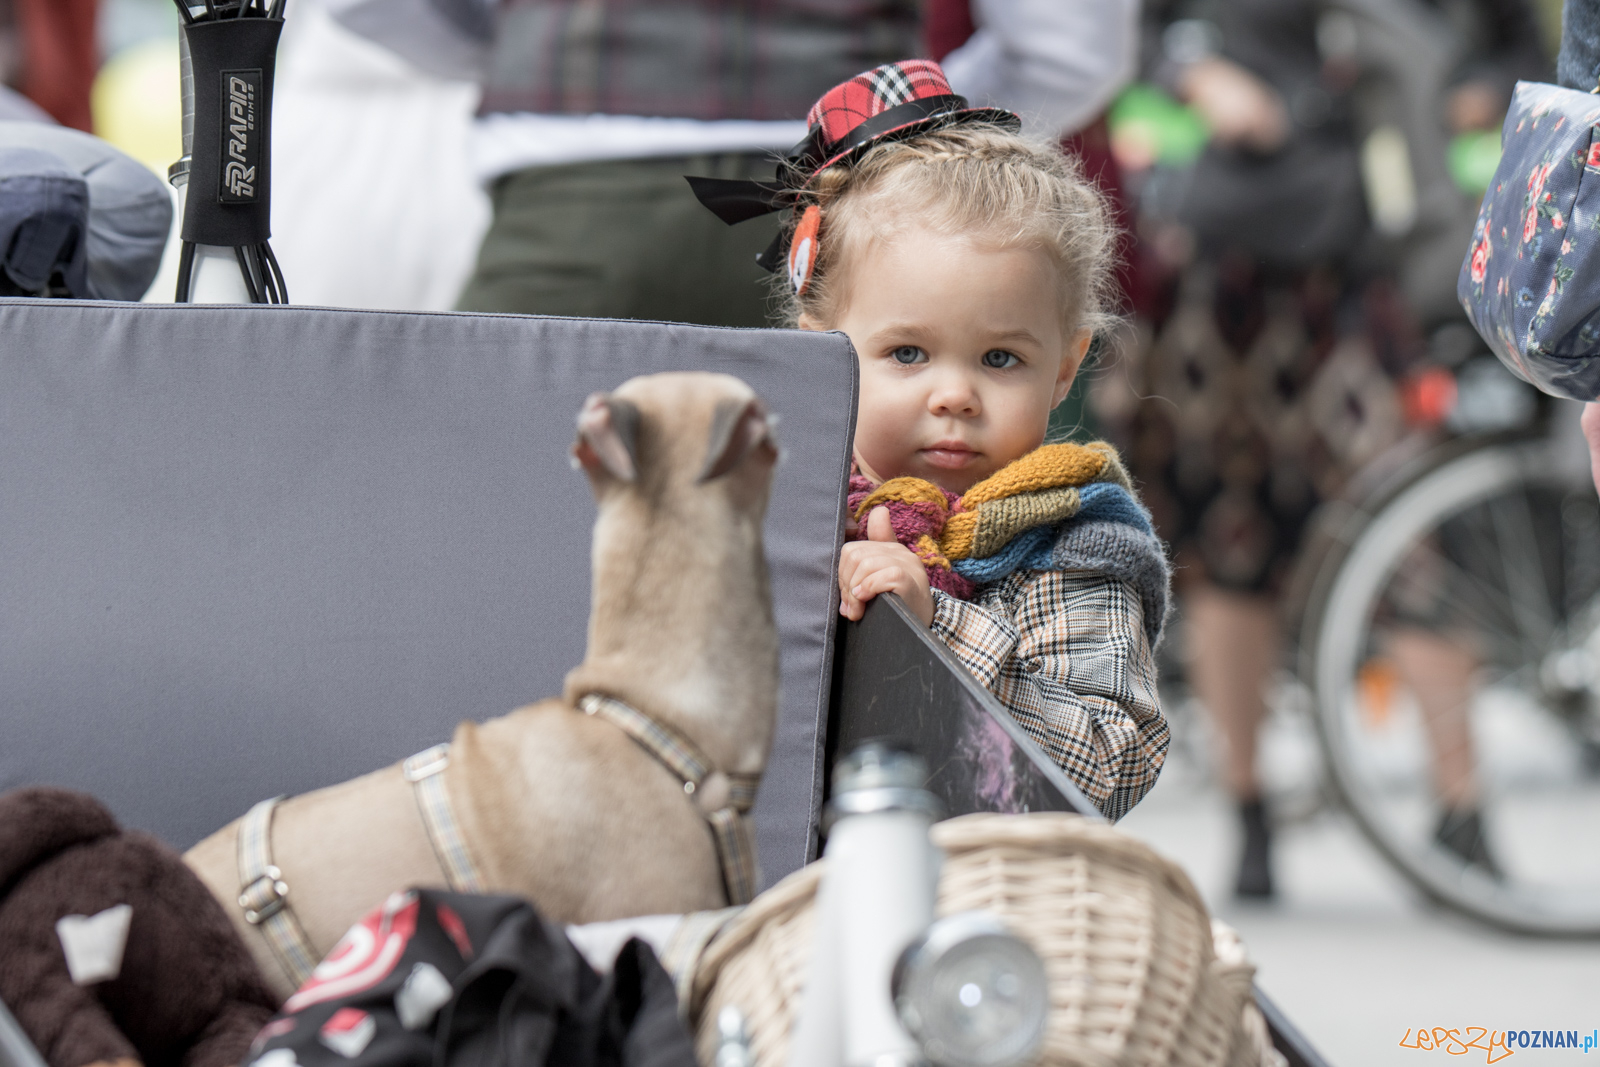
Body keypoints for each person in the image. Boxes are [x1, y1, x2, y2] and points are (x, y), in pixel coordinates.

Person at [692, 61, 1171, 820]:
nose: (953, 394)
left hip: (987, 893)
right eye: (908, 353)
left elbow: (1108, 764)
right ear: (823, 354)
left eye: (1001, 358)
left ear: (1063, 370)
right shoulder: (779, 512)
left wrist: (937, 625)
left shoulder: (1072, 543)